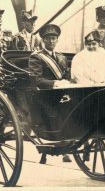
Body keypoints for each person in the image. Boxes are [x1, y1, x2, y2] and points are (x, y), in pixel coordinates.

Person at [29, 24, 72, 163]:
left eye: (54, 38)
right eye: (48, 39)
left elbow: (67, 75)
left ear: (57, 40)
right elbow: (37, 79)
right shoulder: (36, 57)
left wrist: (68, 82)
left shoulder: (62, 57)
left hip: (62, 92)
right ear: (43, 40)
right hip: (45, 95)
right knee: (61, 108)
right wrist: (55, 83)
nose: (51, 41)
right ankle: (63, 142)